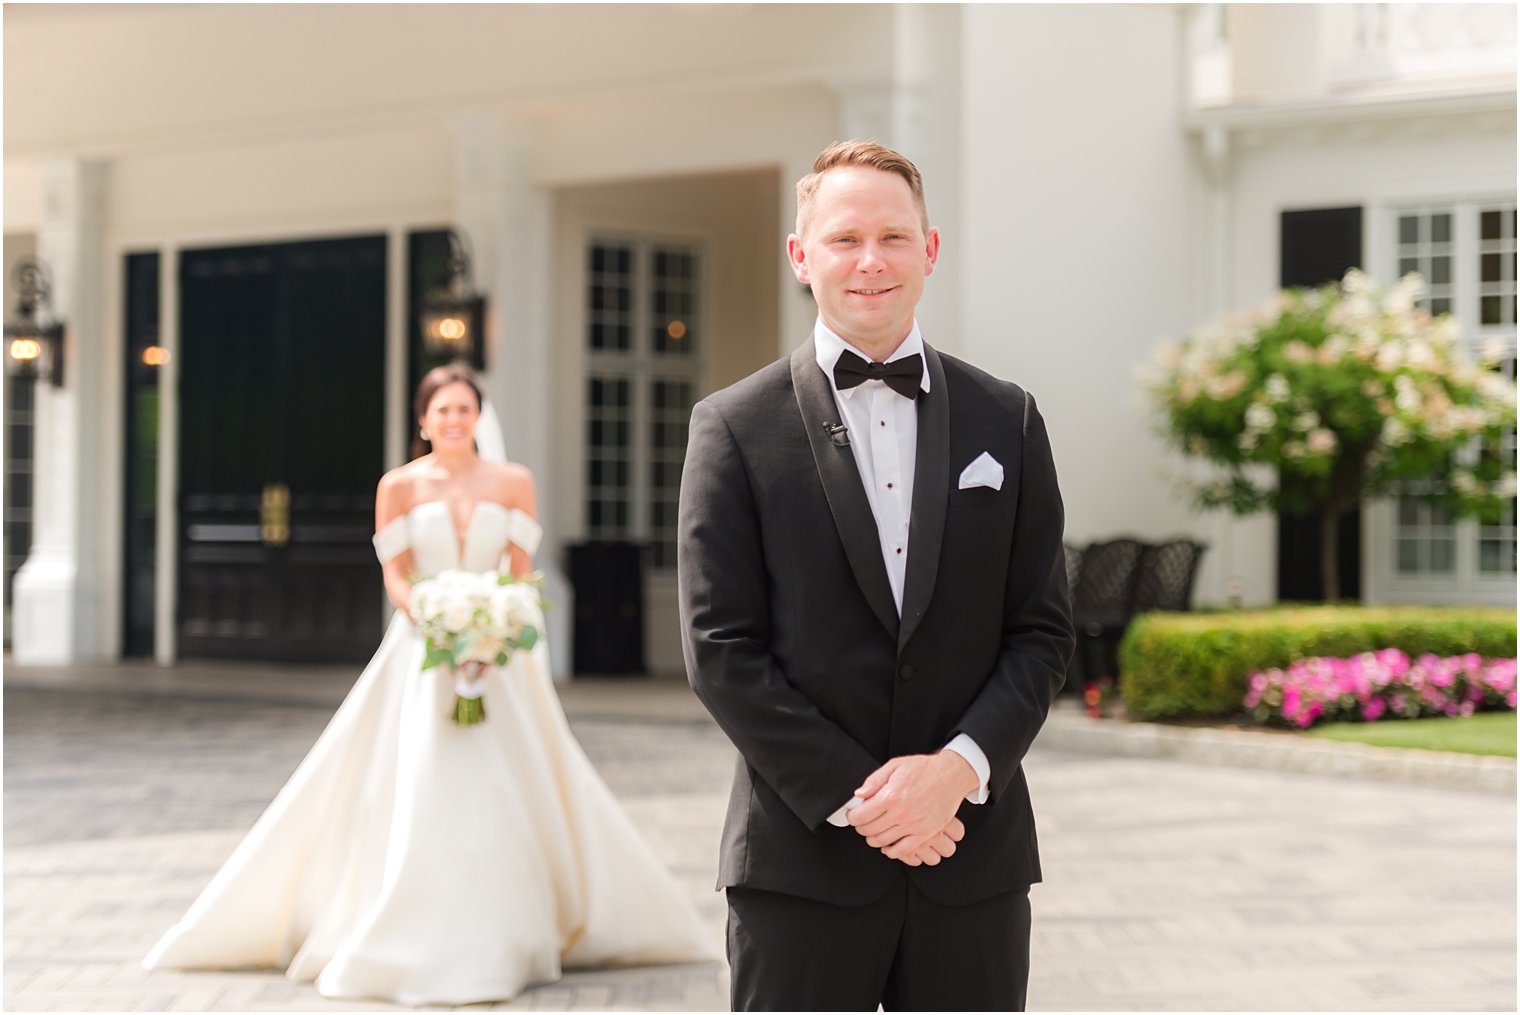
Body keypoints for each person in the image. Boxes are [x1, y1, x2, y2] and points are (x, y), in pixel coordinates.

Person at [146, 364, 716, 1006]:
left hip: (500, 655)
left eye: (464, 409)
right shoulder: (399, 486)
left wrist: (491, 632)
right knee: (417, 775)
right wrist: (434, 622)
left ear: (479, 416)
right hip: (423, 648)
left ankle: (525, 923)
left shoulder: (513, 481)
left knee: (518, 776)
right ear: (423, 419)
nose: (453, 420)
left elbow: (520, 570)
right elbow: (396, 572)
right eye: (442, 410)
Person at [677, 140, 1076, 1011]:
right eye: (844, 237)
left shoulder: (1006, 418)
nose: (870, 261)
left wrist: (955, 772)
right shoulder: (732, 428)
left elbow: (1041, 631)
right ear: (801, 256)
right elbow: (721, 651)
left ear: (930, 251)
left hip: (972, 861)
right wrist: (872, 801)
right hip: (800, 867)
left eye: (894, 237)